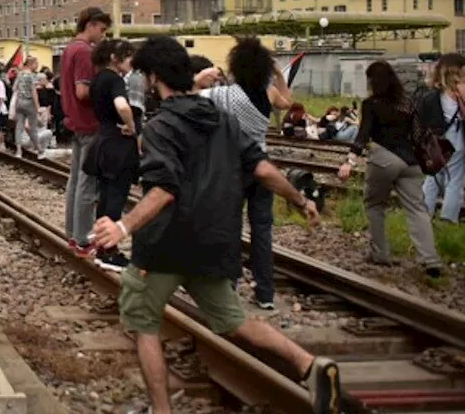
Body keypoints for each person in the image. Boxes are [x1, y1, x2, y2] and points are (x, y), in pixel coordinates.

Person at [90, 35, 340, 414]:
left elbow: (164, 189)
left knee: (144, 324)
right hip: (215, 240)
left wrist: (123, 227)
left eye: (144, 76)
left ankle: (162, 410)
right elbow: (263, 168)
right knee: (234, 321)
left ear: (155, 77)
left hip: (162, 246)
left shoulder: (159, 126)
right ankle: (309, 364)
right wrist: (301, 199)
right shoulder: (223, 120)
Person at [194, 37, 293, 310]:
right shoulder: (269, 92)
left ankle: (230, 287)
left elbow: (185, 97)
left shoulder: (223, 95)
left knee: (231, 228)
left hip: (232, 167)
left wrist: (200, 77)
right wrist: (276, 73)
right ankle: (265, 293)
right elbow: (287, 102)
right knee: (262, 230)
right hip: (261, 166)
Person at [339, 61, 443, 278]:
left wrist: (349, 161)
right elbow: (417, 135)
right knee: (417, 209)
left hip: (383, 159)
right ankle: (430, 258)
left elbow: (363, 135)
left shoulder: (371, 104)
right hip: (411, 163)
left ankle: (380, 253)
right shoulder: (408, 103)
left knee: (375, 204)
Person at [60, 6, 112, 257]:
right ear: (90, 25)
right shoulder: (84, 52)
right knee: (87, 183)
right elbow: (83, 91)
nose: (102, 35)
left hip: (75, 122)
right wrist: (107, 90)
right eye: (101, 29)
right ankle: (82, 238)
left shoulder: (69, 48)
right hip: (89, 122)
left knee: (75, 180)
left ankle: (72, 233)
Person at [83, 38, 137, 272]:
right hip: (118, 144)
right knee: (115, 197)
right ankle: (109, 251)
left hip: (102, 140)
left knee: (105, 197)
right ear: (115, 58)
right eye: (127, 56)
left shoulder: (97, 80)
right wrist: (131, 124)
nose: (130, 61)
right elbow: (122, 106)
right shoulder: (115, 79)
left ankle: (100, 243)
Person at [417, 53, 464, 224]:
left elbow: (419, 119)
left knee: (433, 177)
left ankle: (423, 216)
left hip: (435, 140)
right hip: (455, 137)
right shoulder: (459, 90)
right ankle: (448, 219)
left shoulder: (431, 95)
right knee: (455, 179)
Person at [10, 57, 43, 155]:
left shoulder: (20, 74)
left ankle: (18, 150)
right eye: (36, 63)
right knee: (33, 128)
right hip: (29, 103)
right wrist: (38, 107)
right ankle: (39, 150)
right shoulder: (31, 75)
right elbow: (34, 92)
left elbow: (14, 88)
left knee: (19, 127)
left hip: (19, 103)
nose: (37, 66)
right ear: (31, 64)